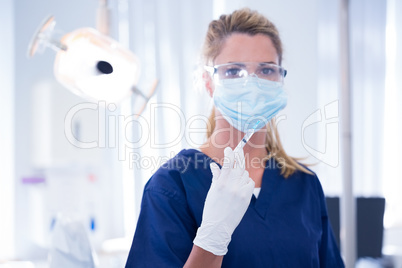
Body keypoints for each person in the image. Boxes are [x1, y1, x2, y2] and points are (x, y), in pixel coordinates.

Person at [125, 8, 344, 268]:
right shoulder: (172, 186)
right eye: (233, 71)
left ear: (280, 79)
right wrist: (211, 239)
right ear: (208, 82)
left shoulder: (303, 185)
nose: (251, 84)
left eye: (265, 70)